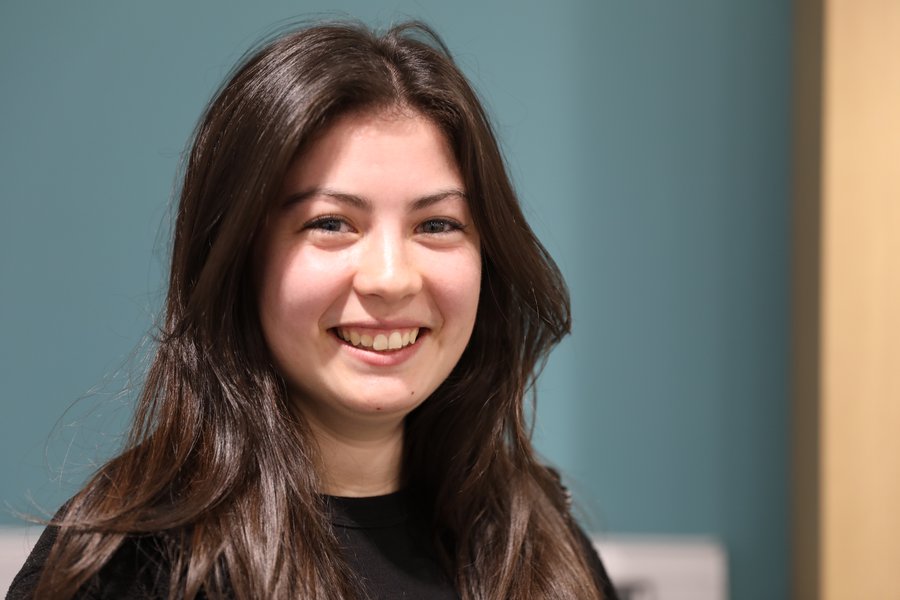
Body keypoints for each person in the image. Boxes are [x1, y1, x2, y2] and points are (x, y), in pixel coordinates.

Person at [8, 20, 618, 600]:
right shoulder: (128, 566)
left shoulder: (542, 551)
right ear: (238, 256)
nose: (390, 278)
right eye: (331, 223)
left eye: (437, 224)